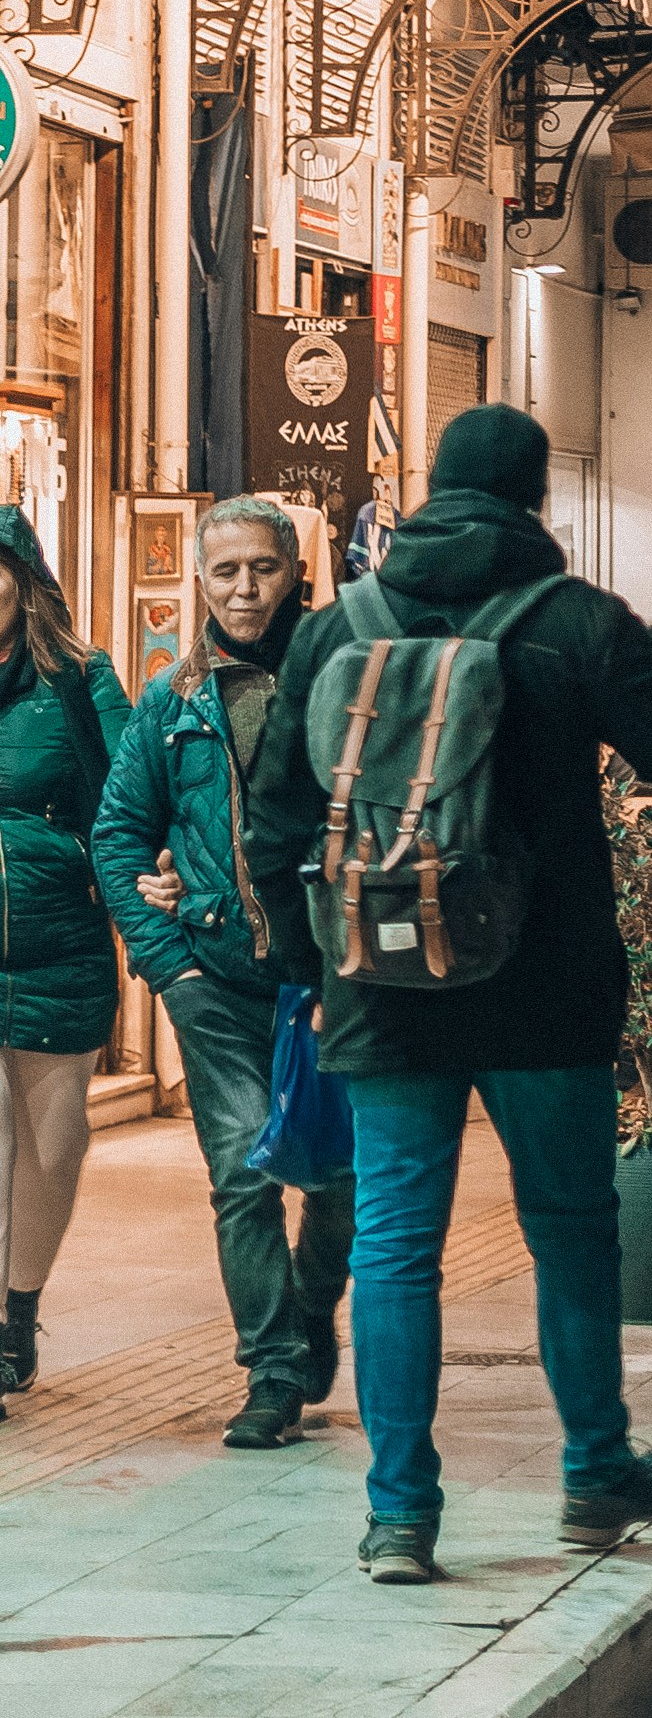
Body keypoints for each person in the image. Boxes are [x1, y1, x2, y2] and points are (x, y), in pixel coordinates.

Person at [248, 403, 652, 1585]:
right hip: (543, 987)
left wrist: (314, 970)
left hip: (383, 988)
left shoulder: (336, 627)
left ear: (429, 494)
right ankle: (594, 1471)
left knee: (399, 1248)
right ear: (534, 499)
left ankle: (401, 1516)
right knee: (569, 1233)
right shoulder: (572, 622)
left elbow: (271, 821)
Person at [92, 496, 352, 1448]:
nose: (244, 589)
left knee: (337, 1176)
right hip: (217, 985)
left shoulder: (341, 678)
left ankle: (314, 1303)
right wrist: (170, 972)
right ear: (200, 581)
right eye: (224, 571)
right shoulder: (172, 700)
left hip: (332, 981)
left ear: (295, 571)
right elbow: (117, 834)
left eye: (263, 569)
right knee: (244, 1175)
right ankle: (274, 1373)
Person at [0, 507, 131, 1409]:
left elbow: (129, 801)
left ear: (22, 579)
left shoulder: (81, 681)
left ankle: (18, 1316)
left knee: (52, 1145)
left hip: (58, 944)